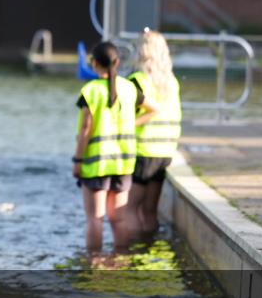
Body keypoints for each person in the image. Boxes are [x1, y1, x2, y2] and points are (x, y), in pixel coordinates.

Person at [72, 42, 155, 253]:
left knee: (95, 219)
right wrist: (132, 124)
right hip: (123, 163)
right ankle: (121, 258)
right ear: (117, 62)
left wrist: (78, 160)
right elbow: (153, 109)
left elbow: (85, 129)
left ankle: (95, 263)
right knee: (118, 219)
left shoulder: (90, 91)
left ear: (94, 64)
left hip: (95, 164)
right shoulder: (129, 88)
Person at [127, 30, 182, 238]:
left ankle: (128, 251)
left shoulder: (137, 80)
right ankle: (149, 250)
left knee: (129, 208)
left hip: (144, 151)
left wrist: (126, 127)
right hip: (165, 152)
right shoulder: (171, 82)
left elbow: (131, 115)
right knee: (150, 210)